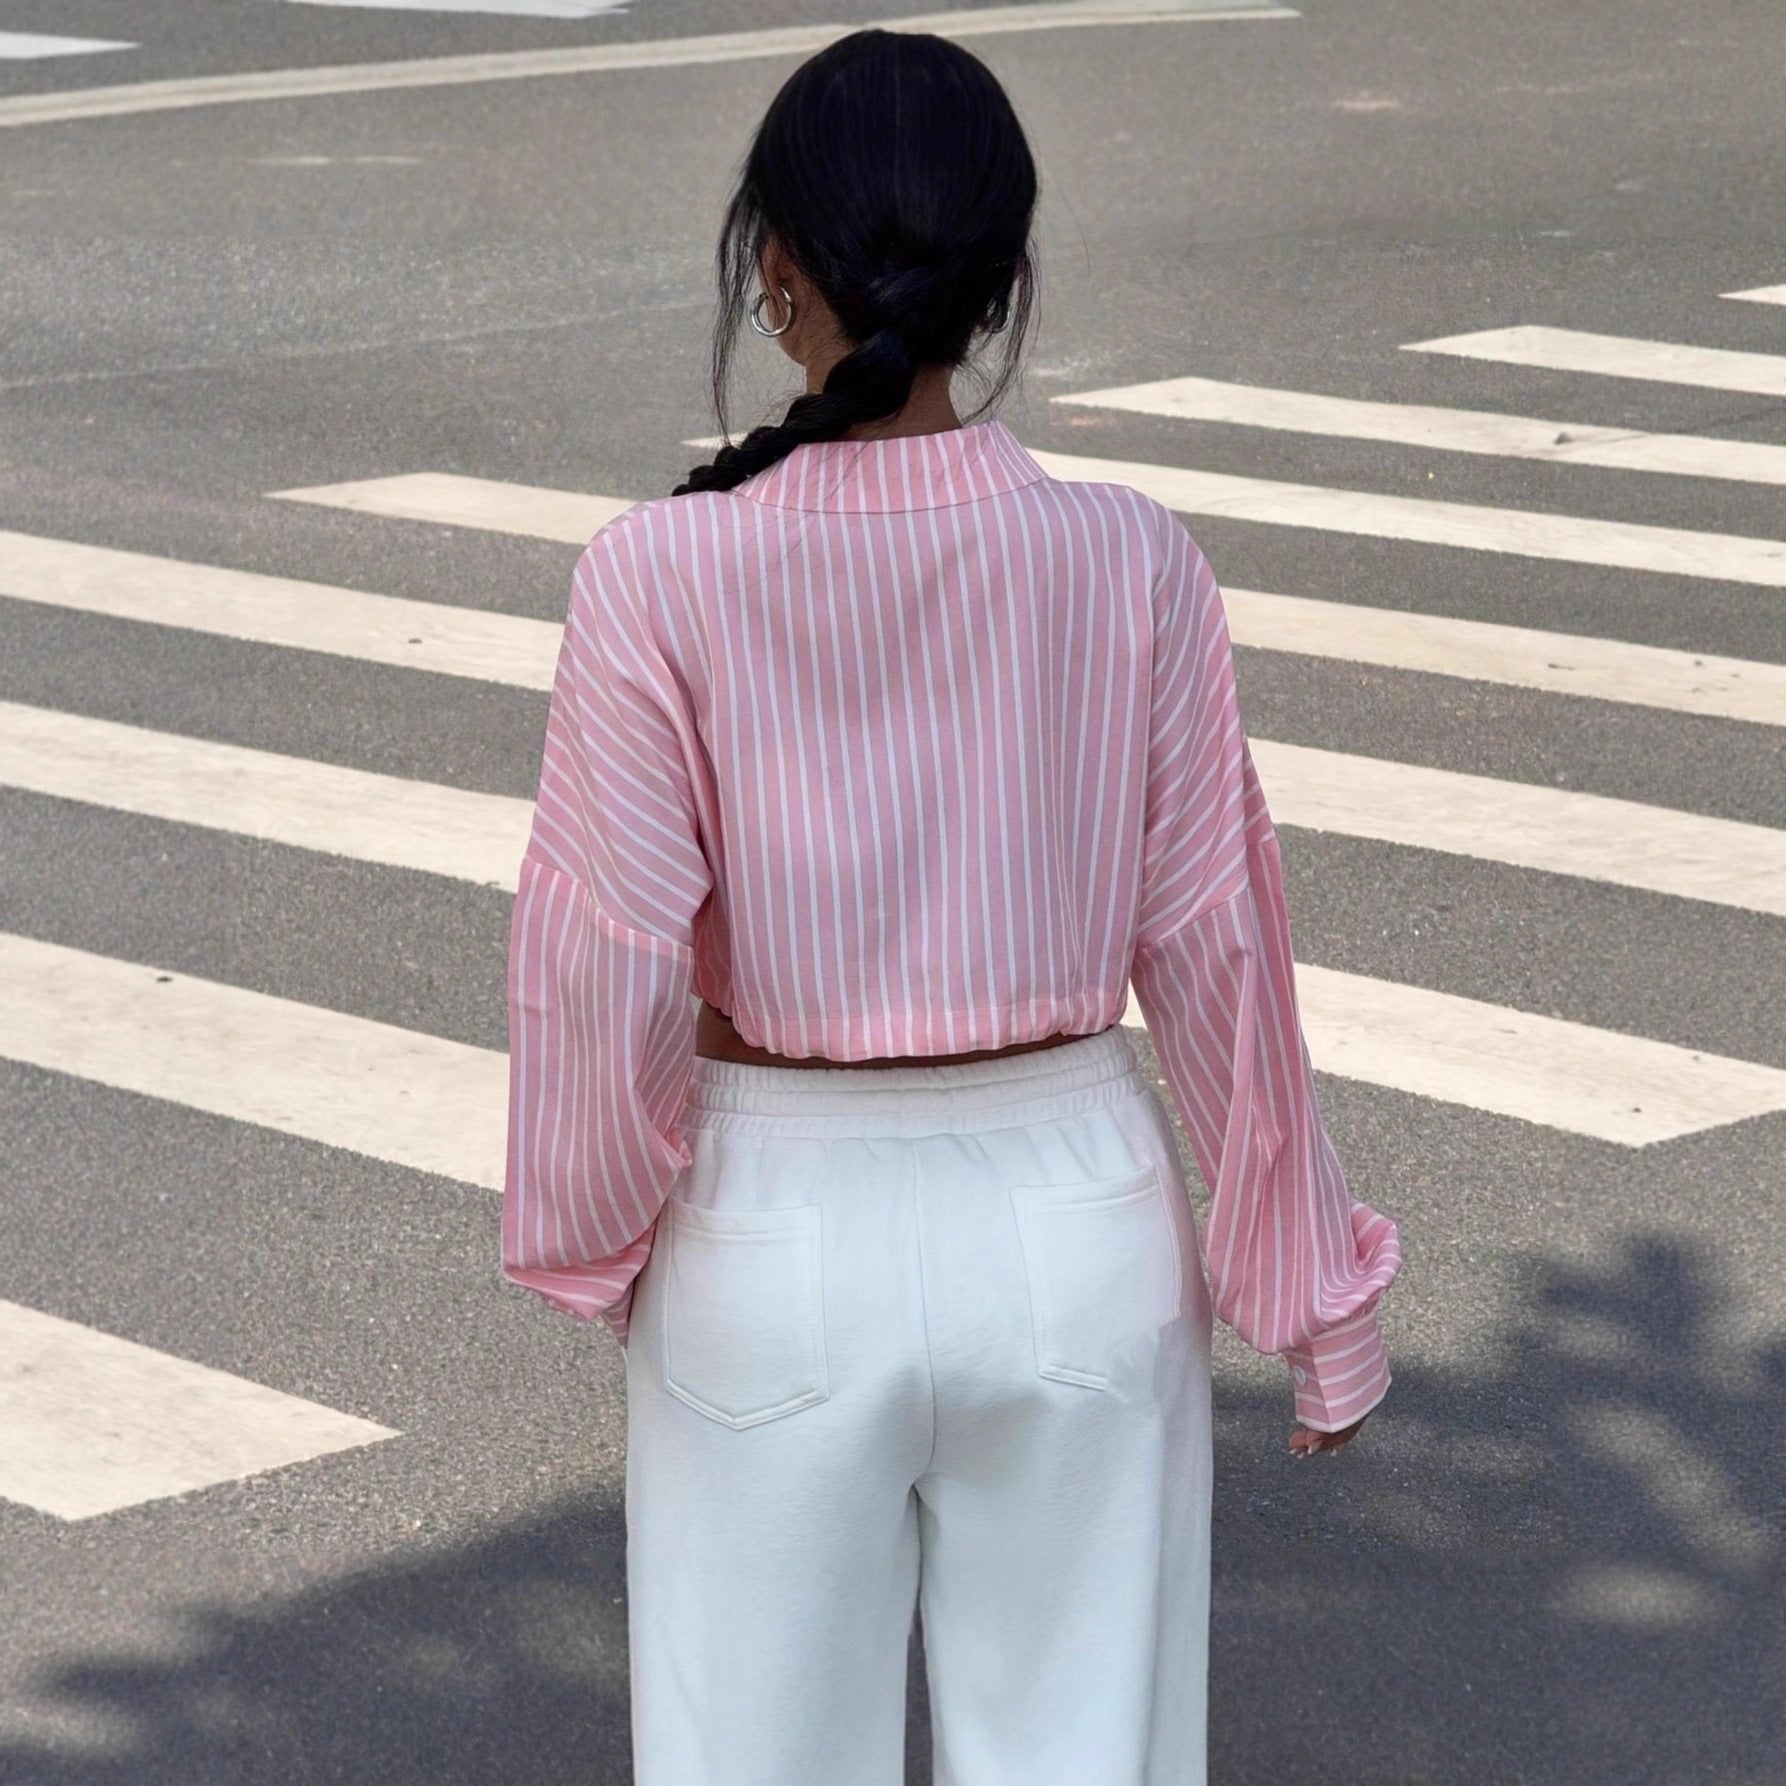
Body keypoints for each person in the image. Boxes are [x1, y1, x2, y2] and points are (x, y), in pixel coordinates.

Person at [502, 25, 1403, 1785]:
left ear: (776, 267)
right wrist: (1315, 1295)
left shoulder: (657, 574)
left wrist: (603, 1240)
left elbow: (606, 968)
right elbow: (1216, 943)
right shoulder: (1131, 558)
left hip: (774, 1219)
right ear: (1002, 278)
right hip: (1077, 1214)